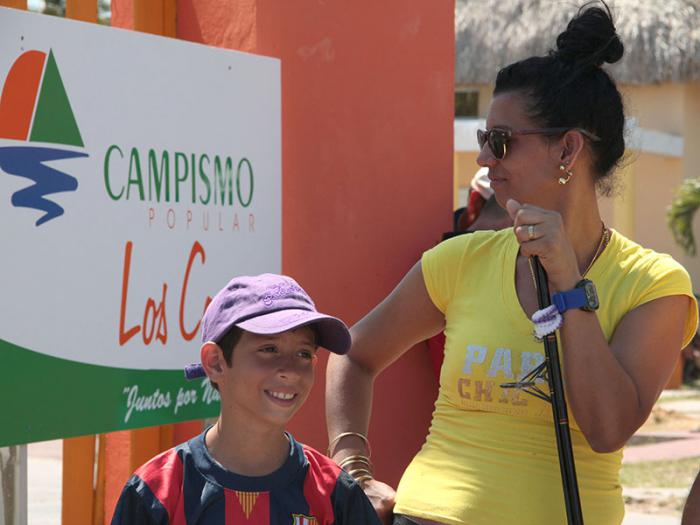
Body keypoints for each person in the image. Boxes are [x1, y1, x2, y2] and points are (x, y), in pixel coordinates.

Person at [325, 3, 698, 525]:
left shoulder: (653, 283)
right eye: (484, 140)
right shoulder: (461, 259)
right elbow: (353, 354)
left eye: (500, 142)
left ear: (567, 150)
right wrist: (353, 472)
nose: (484, 159)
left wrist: (568, 281)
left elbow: (607, 428)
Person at [112, 273, 381, 525]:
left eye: (303, 354)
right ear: (215, 362)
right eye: (269, 349)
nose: (290, 371)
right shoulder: (155, 492)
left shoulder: (335, 494)